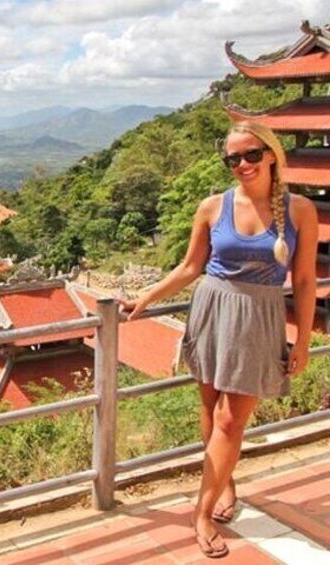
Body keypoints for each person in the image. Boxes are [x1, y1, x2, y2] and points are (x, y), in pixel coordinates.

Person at [119, 121, 318, 558]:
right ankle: (224, 483)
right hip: (212, 310)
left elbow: (303, 281)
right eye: (233, 159)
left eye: (250, 155)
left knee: (232, 419)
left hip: (261, 319)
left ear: (270, 154)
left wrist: (301, 341)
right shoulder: (212, 206)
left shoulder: (300, 209)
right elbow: (190, 267)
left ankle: (201, 511)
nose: (242, 165)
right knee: (210, 408)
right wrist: (144, 300)